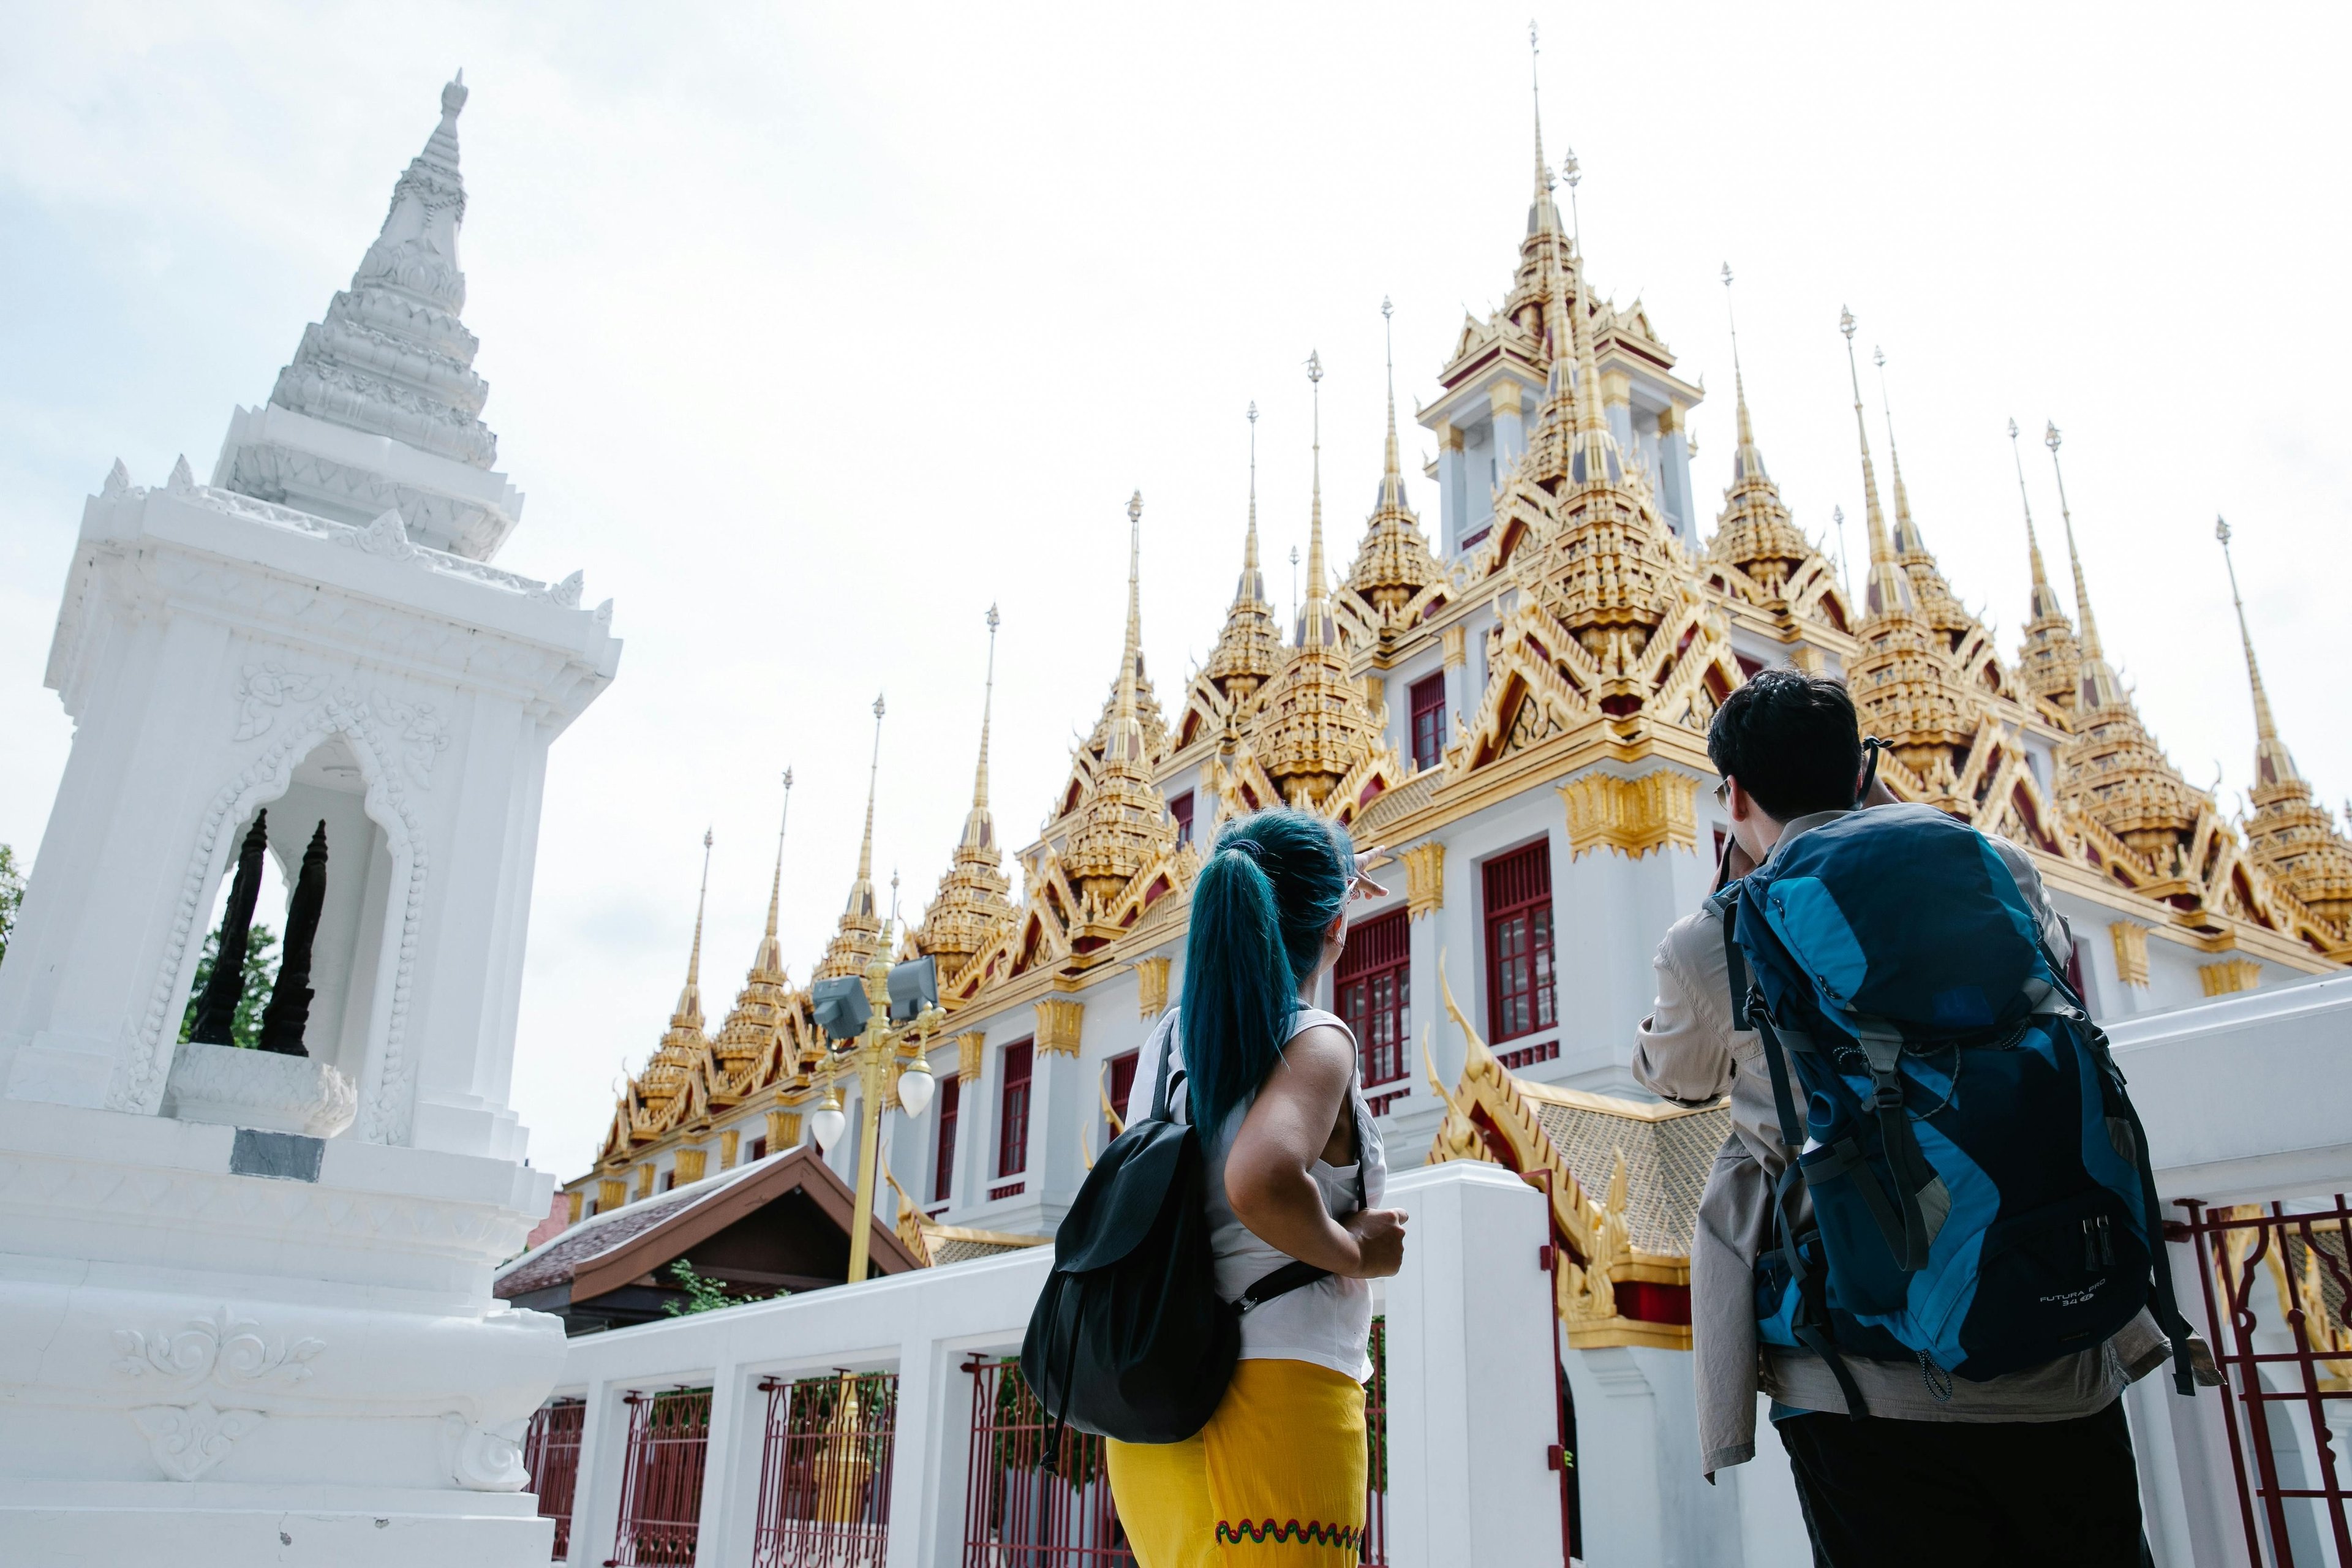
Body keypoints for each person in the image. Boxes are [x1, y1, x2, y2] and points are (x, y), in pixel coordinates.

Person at [1633, 669, 2168, 1567]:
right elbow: (2054, 968)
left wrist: (1732, 894)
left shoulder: (1718, 936)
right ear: (1861, 769)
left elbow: (1672, 1078)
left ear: (1733, 795)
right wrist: (1891, 815)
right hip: (2057, 1331)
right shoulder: (1999, 867)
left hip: (1862, 1370)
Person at [1105, 807, 1408, 1568]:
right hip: (1278, 1399)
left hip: (1155, 1404)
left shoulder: (1166, 1041)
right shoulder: (1315, 1038)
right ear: (1338, 921)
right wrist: (1355, 1251)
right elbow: (1260, 1178)